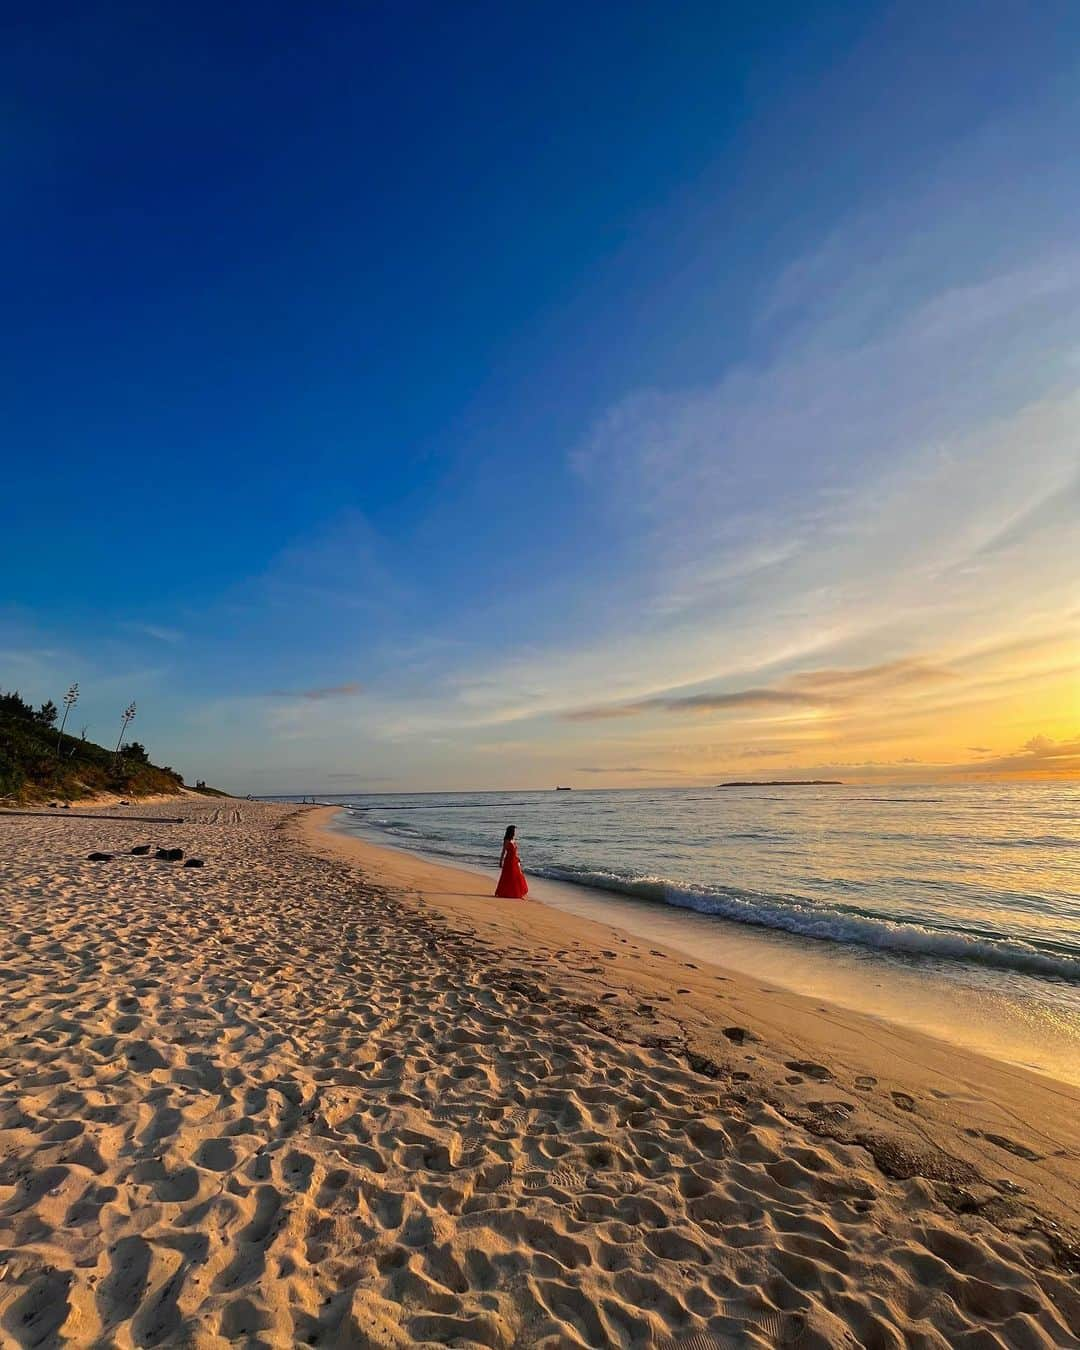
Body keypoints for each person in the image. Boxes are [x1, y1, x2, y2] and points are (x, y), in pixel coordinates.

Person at [495, 824, 528, 899]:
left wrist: (518, 858)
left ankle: (518, 893)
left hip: (515, 860)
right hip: (509, 861)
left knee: (518, 875)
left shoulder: (513, 839)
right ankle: (508, 893)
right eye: (514, 831)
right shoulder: (507, 840)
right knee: (509, 876)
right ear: (511, 831)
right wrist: (501, 861)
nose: (515, 832)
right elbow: (503, 851)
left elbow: (515, 852)